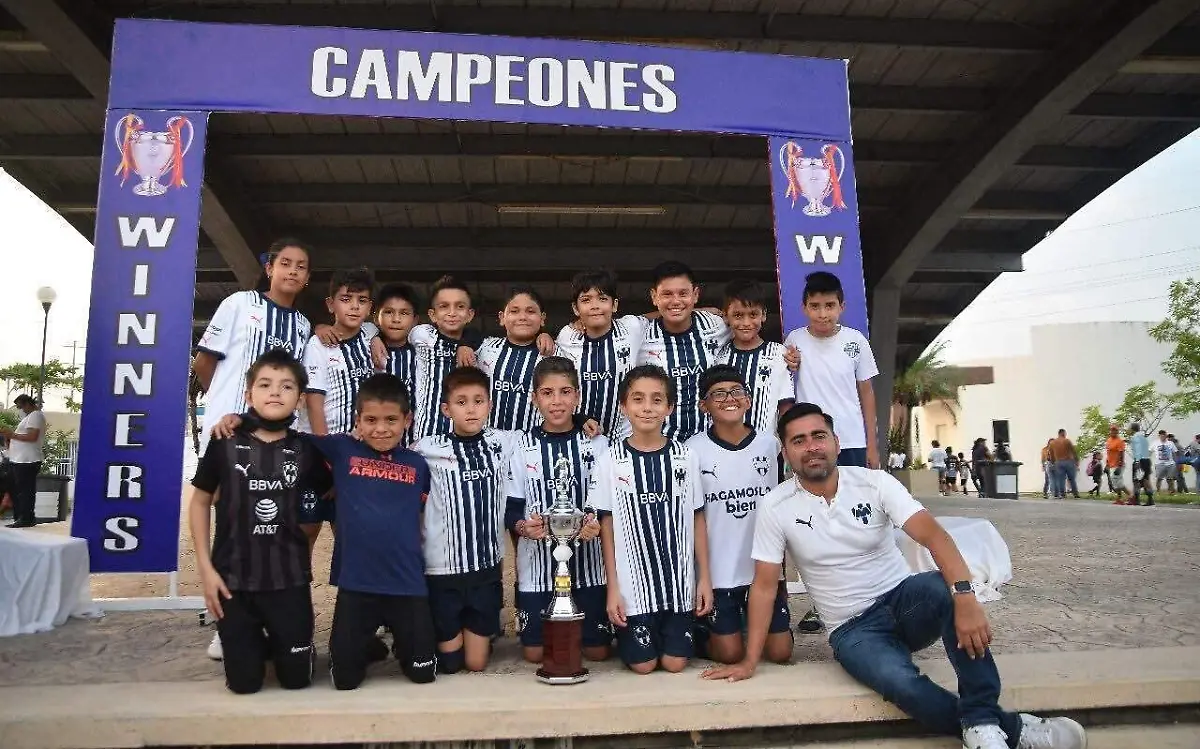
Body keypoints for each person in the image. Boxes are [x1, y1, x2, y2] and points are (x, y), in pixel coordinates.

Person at [702, 402, 1087, 749]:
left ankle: (984, 716)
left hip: (904, 600)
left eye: (819, 436)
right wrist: (750, 660)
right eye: (799, 441)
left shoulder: (875, 483)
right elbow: (766, 585)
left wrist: (966, 597)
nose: (811, 447)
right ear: (785, 453)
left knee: (942, 588)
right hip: (852, 629)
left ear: (836, 441)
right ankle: (1006, 730)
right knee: (901, 683)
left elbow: (934, 535)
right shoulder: (775, 505)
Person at [212, 371, 438, 689]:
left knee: (423, 673)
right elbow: (285, 436)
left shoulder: (418, 465)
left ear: (407, 420)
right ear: (357, 421)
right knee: (344, 680)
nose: (381, 428)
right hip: (357, 585)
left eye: (391, 420)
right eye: (371, 420)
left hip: (408, 584)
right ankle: (365, 645)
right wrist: (243, 420)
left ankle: (402, 641)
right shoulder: (342, 449)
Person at [188, 349, 331, 694]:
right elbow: (200, 502)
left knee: (297, 681)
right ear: (249, 395)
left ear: (299, 399)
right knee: (244, 684)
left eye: (287, 387)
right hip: (233, 584)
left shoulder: (308, 450)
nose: (275, 392)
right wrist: (206, 571)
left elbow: (331, 494)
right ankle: (252, 646)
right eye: (265, 384)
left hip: (289, 582)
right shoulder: (224, 442)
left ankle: (294, 646)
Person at [591, 365, 713, 673]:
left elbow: (697, 517)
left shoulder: (685, 457)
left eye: (657, 400)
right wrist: (613, 587)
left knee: (674, 664)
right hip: (633, 588)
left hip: (678, 584)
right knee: (644, 666)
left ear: (669, 407)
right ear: (624, 406)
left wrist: (704, 579)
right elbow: (607, 526)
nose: (647, 407)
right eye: (638, 399)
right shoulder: (610, 461)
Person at [413, 366, 519, 674]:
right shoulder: (426, 449)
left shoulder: (504, 443)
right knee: (449, 664)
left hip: (485, 569)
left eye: (478, 400)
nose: (471, 409)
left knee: (476, 663)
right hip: (442, 570)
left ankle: (478, 631)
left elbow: (547, 431)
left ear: (490, 404)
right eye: (461, 402)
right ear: (446, 409)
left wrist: (581, 420)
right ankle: (434, 636)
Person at [505, 357, 611, 665]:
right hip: (537, 567)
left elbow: (609, 503)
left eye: (565, 392)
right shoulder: (522, 446)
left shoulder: (597, 443)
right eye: (548, 393)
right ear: (534, 398)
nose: (557, 401)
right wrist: (524, 527)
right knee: (535, 654)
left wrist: (596, 525)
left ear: (577, 396)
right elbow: (511, 508)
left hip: (590, 564)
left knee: (598, 653)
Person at [686, 365, 793, 665]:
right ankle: (696, 632)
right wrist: (702, 576)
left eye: (736, 392)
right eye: (717, 394)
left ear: (748, 400)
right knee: (731, 654)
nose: (728, 399)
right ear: (703, 405)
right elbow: (694, 516)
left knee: (780, 653)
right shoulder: (692, 451)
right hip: (720, 573)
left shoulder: (770, 445)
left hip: (763, 570)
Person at [192, 239, 315, 462]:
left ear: (307, 278)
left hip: (277, 446)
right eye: (285, 263)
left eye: (301, 267)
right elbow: (203, 363)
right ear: (269, 268)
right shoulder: (239, 303)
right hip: (225, 434)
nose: (293, 271)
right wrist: (226, 398)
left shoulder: (303, 325)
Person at [783, 271, 880, 470]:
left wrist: (872, 445)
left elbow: (867, 393)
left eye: (829, 305)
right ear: (804, 308)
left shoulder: (857, 340)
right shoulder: (794, 340)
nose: (822, 314)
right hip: (811, 442)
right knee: (814, 499)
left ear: (841, 307)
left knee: (854, 499)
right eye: (815, 306)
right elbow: (784, 386)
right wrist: (790, 364)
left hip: (852, 440)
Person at [637, 261, 731, 442]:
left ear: (695, 295)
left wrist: (788, 356)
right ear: (654, 297)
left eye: (683, 294)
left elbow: (747, 330)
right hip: (662, 442)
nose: (676, 301)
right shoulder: (639, 334)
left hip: (711, 440)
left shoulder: (716, 324)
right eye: (667, 294)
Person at [555, 269, 647, 440]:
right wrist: (542, 335)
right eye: (586, 300)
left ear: (615, 305)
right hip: (581, 435)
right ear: (576, 308)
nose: (595, 305)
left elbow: (661, 317)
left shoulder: (631, 327)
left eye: (603, 298)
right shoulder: (567, 335)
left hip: (624, 438)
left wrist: (697, 311)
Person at [474, 287, 559, 432]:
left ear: (542, 318)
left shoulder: (555, 354)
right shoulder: (485, 348)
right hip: (488, 443)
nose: (522, 317)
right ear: (502, 318)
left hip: (533, 445)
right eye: (514, 311)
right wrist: (463, 345)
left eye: (530, 311)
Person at [721, 279, 794, 437]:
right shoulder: (720, 355)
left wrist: (786, 445)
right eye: (738, 315)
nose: (746, 323)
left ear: (764, 315)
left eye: (753, 314)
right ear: (726, 316)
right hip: (723, 447)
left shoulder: (779, 354)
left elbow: (785, 406)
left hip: (766, 449)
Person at [376, 283, 421, 444]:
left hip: (414, 445)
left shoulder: (424, 355)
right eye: (388, 312)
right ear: (376, 317)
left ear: (415, 320)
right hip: (373, 444)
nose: (396, 319)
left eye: (404, 313)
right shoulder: (366, 350)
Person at [0, 394, 46, 528]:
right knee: (20, 490)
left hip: (28, 460)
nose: (22, 410)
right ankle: (22, 517)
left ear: (27, 404)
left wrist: (11, 434)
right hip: (21, 460)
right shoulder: (30, 417)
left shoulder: (35, 415)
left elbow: (32, 436)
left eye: (22, 407)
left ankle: (26, 518)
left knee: (25, 491)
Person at [1048, 429, 1079, 499]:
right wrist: (1076, 460)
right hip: (1068, 461)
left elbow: (1051, 454)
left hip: (1058, 462)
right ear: (1063, 433)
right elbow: (1073, 451)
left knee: (1061, 479)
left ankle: (1062, 494)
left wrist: (1053, 462)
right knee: (1072, 479)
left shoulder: (1052, 443)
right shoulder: (1067, 441)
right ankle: (1075, 494)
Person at [1128, 423, 1154, 506]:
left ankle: (1137, 499)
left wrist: (1137, 461)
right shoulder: (1143, 437)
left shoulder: (1135, 437)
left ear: (1132, 429)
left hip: (1140, 460)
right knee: (1146, 479)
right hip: (1146, 459)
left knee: (1136, 480)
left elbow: (1138, 449)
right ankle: (1150, 499)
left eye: (1129, 428)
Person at [1104, 425, 1129, 504]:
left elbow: (1121, 453)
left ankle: (1130, 495)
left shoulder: (1119, 441)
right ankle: (1119, 499)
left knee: (1116, 481)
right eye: (1111, 430)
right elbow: (1108, 453)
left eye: (1114, 430)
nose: (1112, 432)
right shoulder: (1108, 440)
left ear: (1117, 432)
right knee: (1116, 483)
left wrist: (1120, 465)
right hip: (1111, 465)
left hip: (1118, 465)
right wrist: (1107, 464)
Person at [1152, 429, 1177, 496]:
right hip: (1159, 464)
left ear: (1166, 435)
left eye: (1164, 435)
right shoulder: (1155, 443)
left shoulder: (1170, 443)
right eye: (1161, 435)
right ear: (1159, 436)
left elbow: (1174, 452)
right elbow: (1150, 451)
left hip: (1170, 464)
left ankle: (1171, 492)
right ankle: (1158, 491)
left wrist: (1175, 462)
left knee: (1170, 479)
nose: (1163, 437)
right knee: (1159, 478)